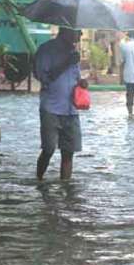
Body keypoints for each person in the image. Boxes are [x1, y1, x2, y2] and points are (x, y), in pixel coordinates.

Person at [34, 27, 85, 181]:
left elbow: (76, 78)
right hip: (51, 108)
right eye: (78, 31)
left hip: (71, 110)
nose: (81, 34)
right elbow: (43, 76)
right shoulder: (46, 50)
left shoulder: (73, 52)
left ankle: (66, 189)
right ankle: (39, 181)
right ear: (67, 31)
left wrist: (82, 83)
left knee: (68, 153)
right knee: (48, 149)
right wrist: (66, 63)